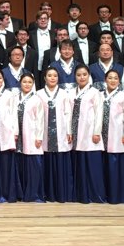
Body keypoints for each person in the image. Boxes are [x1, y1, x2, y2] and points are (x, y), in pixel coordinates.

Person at [70, 65, 105, 204]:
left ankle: (95, 194)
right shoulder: (71, 92)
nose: (82, 77)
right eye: (79, 75)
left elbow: (99, 113)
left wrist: (97, 132)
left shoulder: (95, 92)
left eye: (84, 74)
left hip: (90, 132)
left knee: (92, 164)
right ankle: (81, 194)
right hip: (76, 132)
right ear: (75, 77)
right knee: (79, 164)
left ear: (89, 75)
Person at [38, 67, 74, 202]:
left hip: (61, 132)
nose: (52, 78)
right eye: (49, 75)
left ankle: (62, 193)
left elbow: (68, 113)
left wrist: (69, 131)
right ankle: (48, 193)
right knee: (47, 161)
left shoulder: (64, 94)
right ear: (44, 78)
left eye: (55, 76)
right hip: (44, 133)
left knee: (60, 161)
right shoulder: (39, 94)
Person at [99, 70, 124, 204]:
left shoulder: (123, 96)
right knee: (103, 164)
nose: (113, 80)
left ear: (119, 81)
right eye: (110, 78)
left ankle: (119, 195)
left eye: (115, 78)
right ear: (105, 80)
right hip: (101, 134)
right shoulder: (100, 95)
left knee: (117, 165)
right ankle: (104, 194)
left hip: (117, 133)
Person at [0, 70, 21, 203]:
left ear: (3, 80)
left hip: (6, 132)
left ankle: (7, 192)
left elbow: (14, 114)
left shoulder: (9, 95)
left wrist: (15, 132)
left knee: (5, 163)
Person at [16, 73, 45, 202]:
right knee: (20, 164)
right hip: (18, 137)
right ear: (20, 83)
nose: (27, 84)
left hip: (32, 135)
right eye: (24, 82)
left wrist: (39, 136)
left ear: (33, 84)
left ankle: (33, 193)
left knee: (33, 164)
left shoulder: (36, 99)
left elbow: (40, 119)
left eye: (29, 82)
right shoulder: (15, 98)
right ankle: (20, 193)